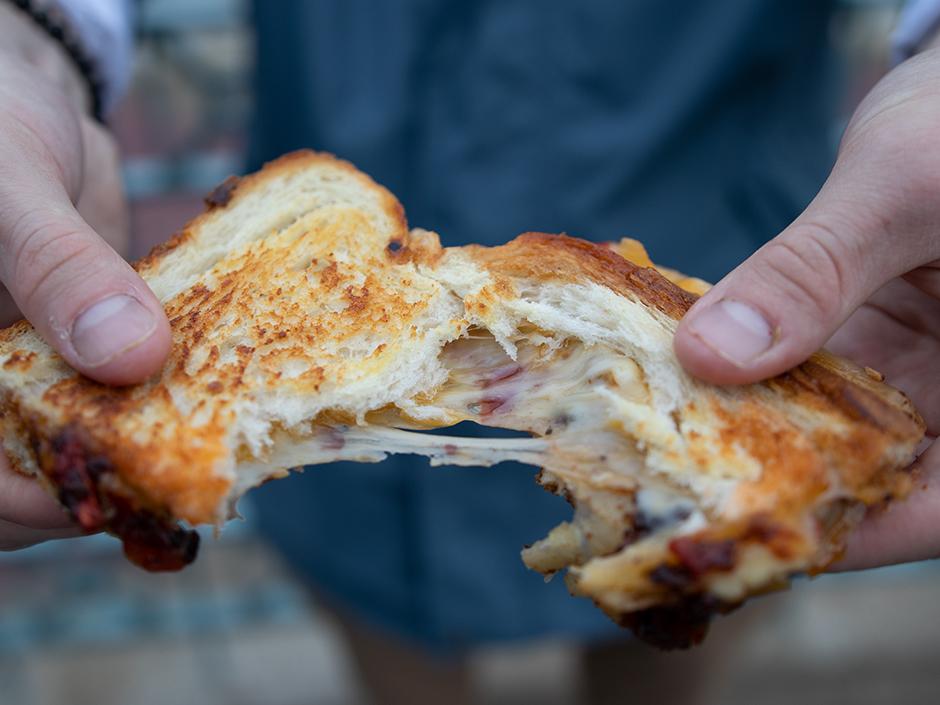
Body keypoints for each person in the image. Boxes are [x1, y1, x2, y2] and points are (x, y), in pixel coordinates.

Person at [0, 1, 938, 703]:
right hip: (307, 335)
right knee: (391, 644)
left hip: (737, 273)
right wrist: (32, 38)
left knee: (672, 618)